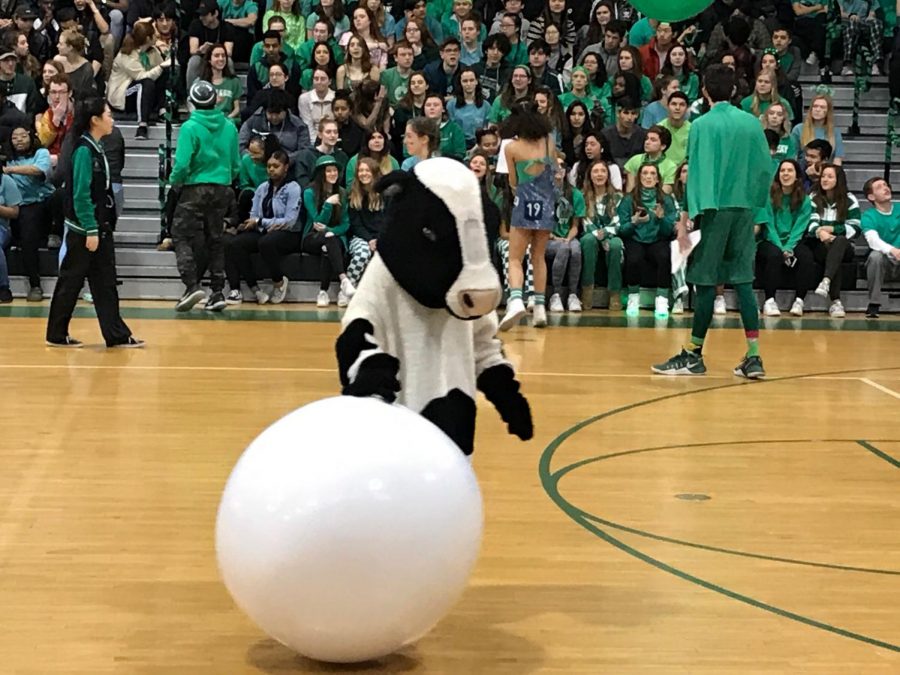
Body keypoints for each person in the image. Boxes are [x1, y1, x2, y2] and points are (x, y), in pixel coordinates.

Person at [653, 64, 771, 379]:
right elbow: (764, 169)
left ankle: (693, 353)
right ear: (734, 91)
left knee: (705, 280)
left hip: (715, 209)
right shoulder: (751, 123)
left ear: (704, 91)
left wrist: (686, 217)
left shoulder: (701, 125)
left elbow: (698, 173)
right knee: (743, 281)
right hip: (745, 209)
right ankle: (754, 356)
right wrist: (758, 209)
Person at [45, 98, 142, 348]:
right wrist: (90, 228)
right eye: (108, 115)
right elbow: (81, 195)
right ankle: (56, 334)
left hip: (100, 228)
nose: (113, 119)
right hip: (85, 231)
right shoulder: (83, 151)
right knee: (70, 282)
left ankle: (116, 334)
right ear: (94, 120)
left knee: (105, 283)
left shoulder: (96, 147)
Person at [169, 80, 241, 312]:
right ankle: (218, 292)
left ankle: (191, 286)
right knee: (215, 239)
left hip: (194, 188)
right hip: (223, 188)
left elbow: (181, 164)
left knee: (180, 234)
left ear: (192, 103)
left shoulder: (190, 127)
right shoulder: (229, 126)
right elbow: (236, 163)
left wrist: (174, 182)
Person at [498, 102, 558, 330]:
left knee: (515, 257)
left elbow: (513, 181)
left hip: (524, 201)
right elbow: (553, 172)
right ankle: (540, 307)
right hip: (546, 203)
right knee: (538, 256)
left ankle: (515, 300)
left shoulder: (511, 148)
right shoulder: (548, 142)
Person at [224, 150, 302, 306]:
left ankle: (279, 282)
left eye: (276, 166)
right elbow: (254, 214)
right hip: (264, 231)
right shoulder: (262, 188)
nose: (272, 169)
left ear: (286, 167)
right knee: (235, 243)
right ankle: (255, 289)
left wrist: (260, 221)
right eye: (269, 166)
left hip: (289, 234)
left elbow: (289, 221)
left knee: (266, 243)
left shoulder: (293, 188)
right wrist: (251, 224)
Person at [301, 155, 356, 307]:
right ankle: (344, 280)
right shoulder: (309, 193)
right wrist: (327, 204)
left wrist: (330, 230)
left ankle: (323, 292)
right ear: (321, 174)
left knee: (328, 244)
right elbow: (317, 222)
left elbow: (345, 224)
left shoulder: (343, 193)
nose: (333, 174)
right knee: (327, 239)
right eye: (329, 171)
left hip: (335, 236)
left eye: (335, 171)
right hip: (312, 237)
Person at [808, 163, 858, 318]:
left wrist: (832, 230)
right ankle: (835, 301)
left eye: (830, 176)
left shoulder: (849, 200)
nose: (825, 179)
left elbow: (855, 227)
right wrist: (820, 232)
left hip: (844, 245)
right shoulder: (813, 197)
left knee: (840, 242)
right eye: (823, 176)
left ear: (839, 180)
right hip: (819, 244)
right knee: (832, 252)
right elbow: (810, 222)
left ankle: (826, 281)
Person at [861, 177, 900, 319]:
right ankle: (874, 304)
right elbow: (873, 241)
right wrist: (893, 251)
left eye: (885, 185)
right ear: (871, 196)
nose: (885, 188)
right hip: (886, 264)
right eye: (879, 187)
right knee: (875, 256)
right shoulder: (868, 216)